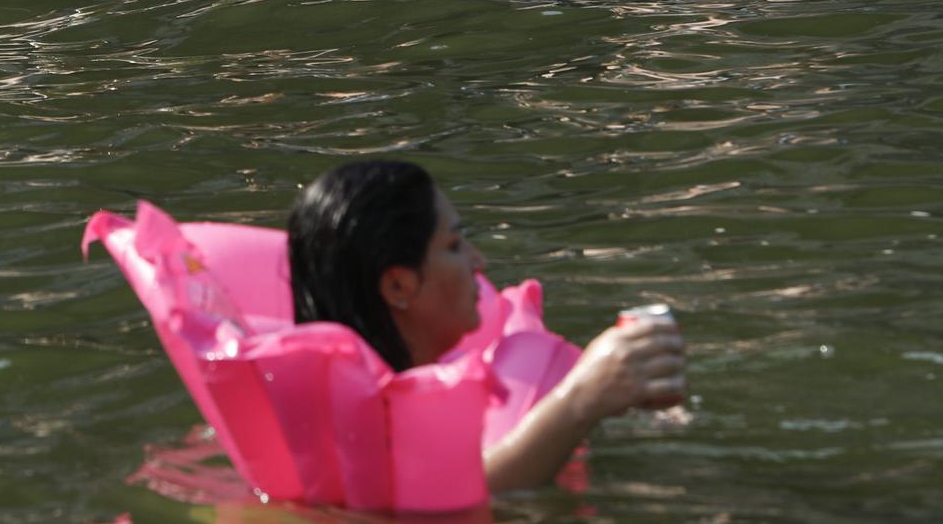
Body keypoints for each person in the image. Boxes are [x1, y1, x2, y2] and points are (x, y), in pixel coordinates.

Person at [287, 160, 688, 493]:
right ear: (398, 286)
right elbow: (436, 506)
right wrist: (581, 399)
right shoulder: (347, 422)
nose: (478, 261)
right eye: (454, 246)